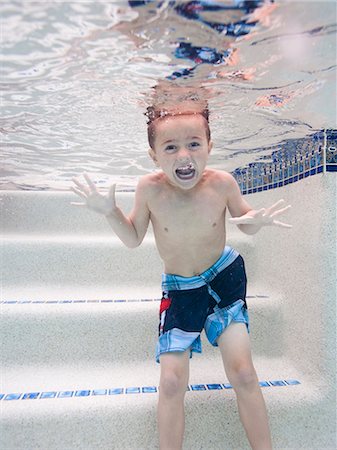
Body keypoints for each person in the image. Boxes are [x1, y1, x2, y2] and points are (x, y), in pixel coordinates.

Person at [71, 101, 291, 450]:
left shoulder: (222, 184)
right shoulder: (150, 189)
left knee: (244, 373)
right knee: (171, 383)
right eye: (170, 147)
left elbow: (244, 222)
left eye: (193, 143)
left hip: (223, 279)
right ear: (154, 155)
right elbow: (132, 238)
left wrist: (257, 220)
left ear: (209, 146)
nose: (183, 155)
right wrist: (110, 212)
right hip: (181, 289)